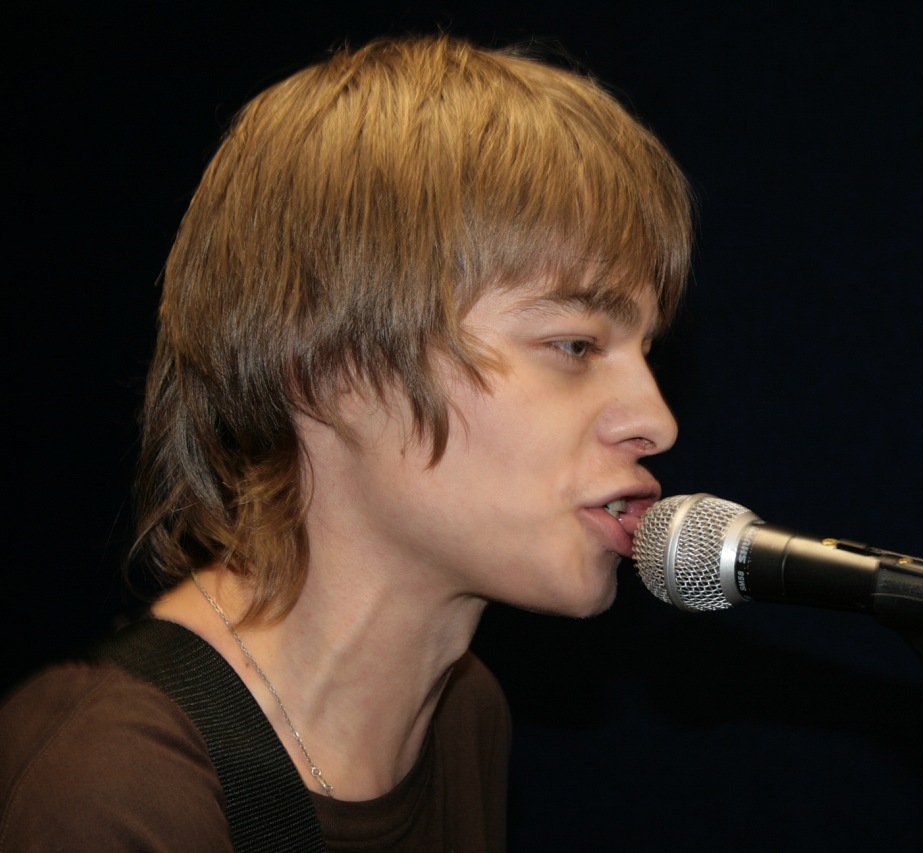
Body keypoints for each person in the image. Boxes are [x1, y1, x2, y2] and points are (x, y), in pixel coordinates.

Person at [0, 34, 692, 851]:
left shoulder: (465, 713)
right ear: (330, 367)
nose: (657, 420)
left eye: (646, 350)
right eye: (574, 345)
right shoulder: (110, 787)